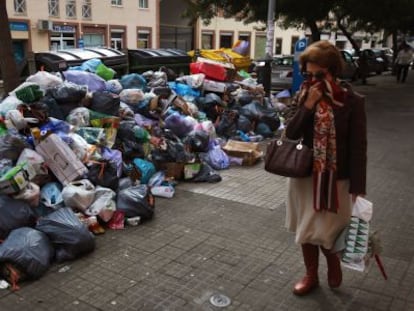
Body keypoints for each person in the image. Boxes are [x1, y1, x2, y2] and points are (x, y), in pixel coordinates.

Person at [284, 40, 367, 296]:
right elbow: (290, 133)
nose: (313, 79)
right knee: (306, 229)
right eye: (307, 74)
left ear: (333, 71)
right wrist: (307, 106)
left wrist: (358, 186)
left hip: (336, 178)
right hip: (304, 176)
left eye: (319, 74)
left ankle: (332, 262)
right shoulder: (302, 95)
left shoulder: (352, 101)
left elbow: (358, 146)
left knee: (329, 229)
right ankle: (311, 275)